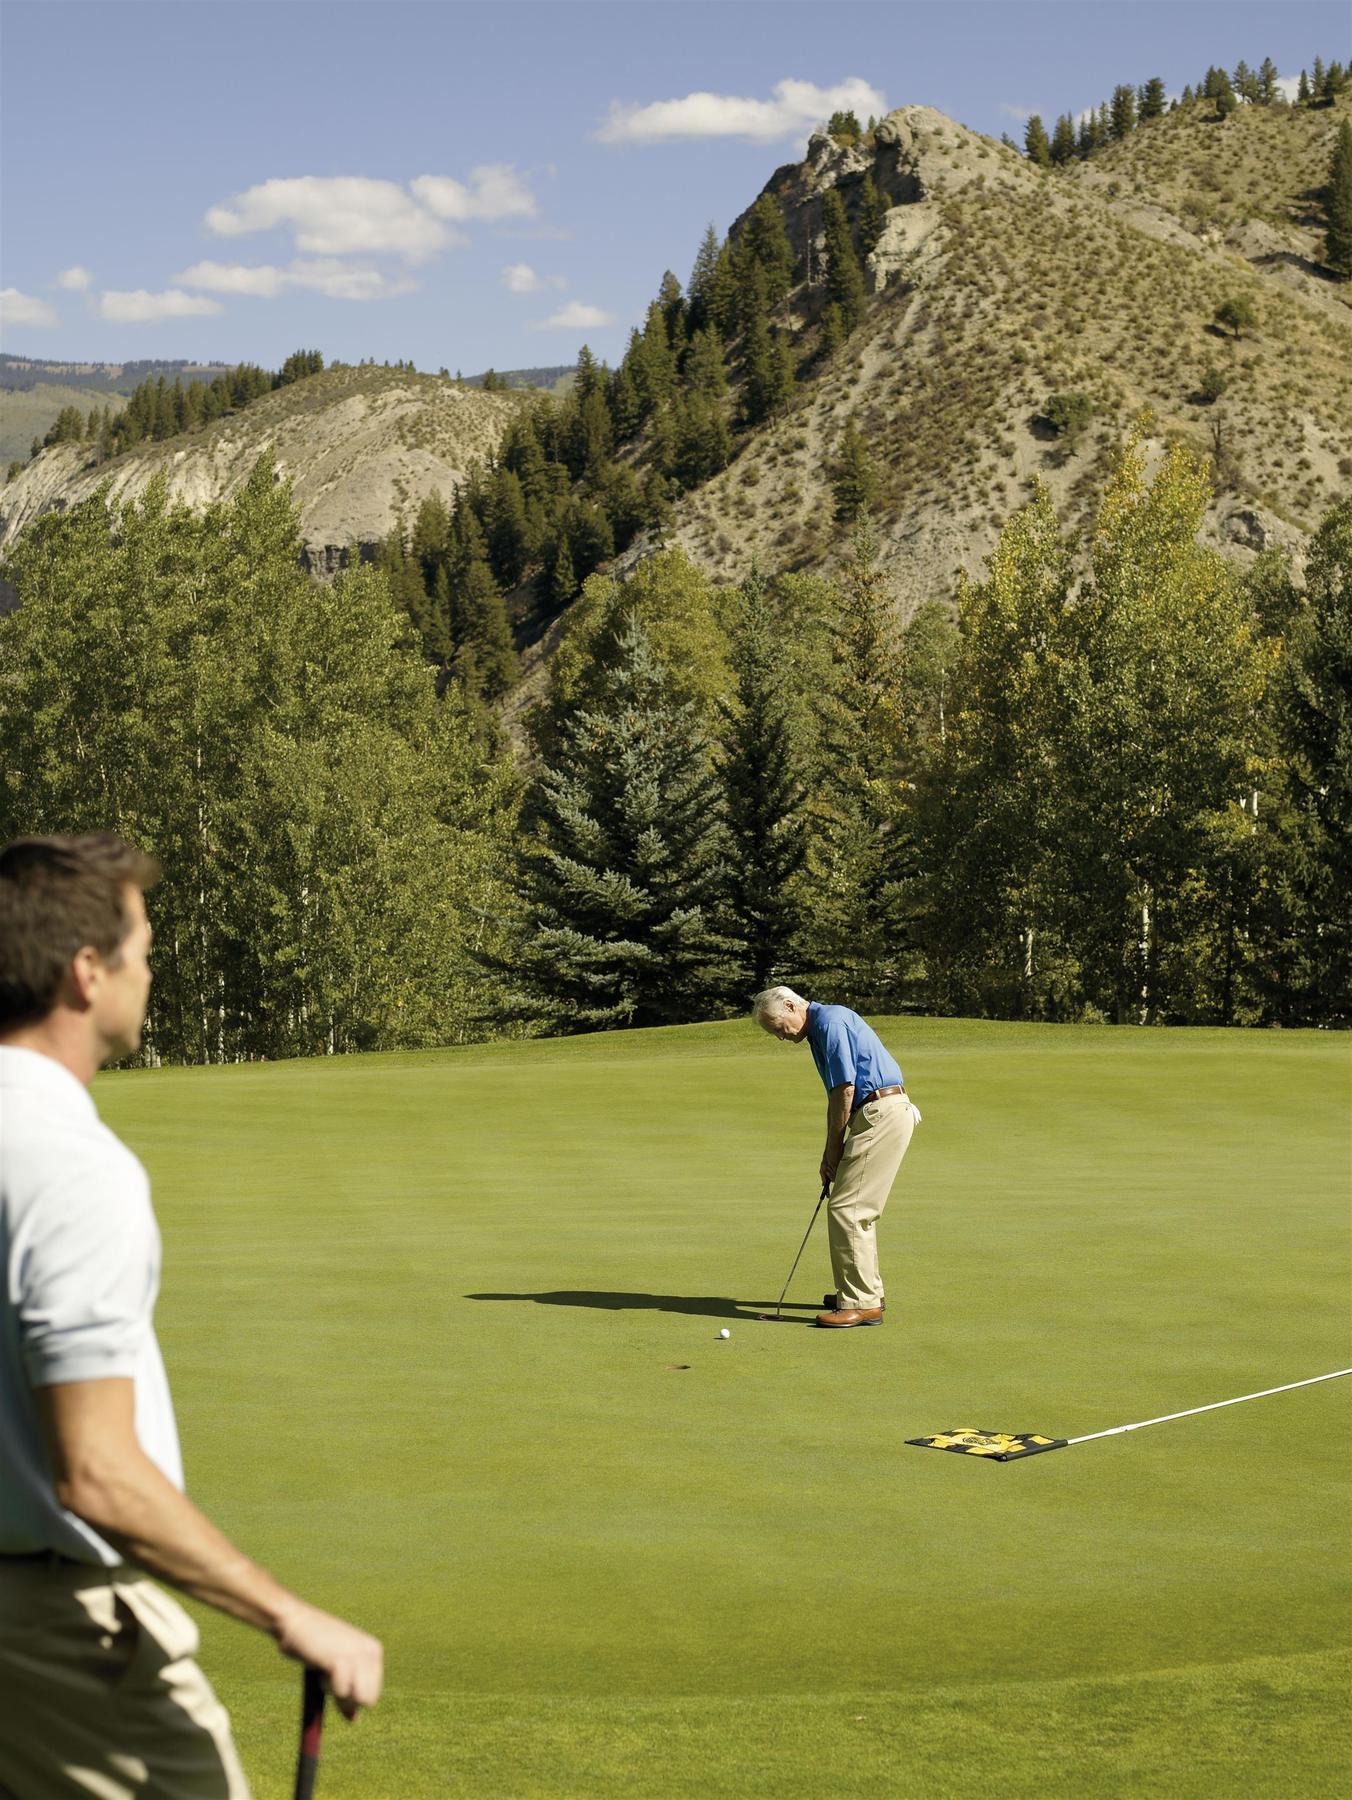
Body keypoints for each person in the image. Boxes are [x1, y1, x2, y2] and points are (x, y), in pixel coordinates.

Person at [0, 834, 382, 1798]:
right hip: (60, 1634)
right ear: (88, 974)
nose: (153, 969)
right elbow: (97, 1474)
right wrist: (289, 1615)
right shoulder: (71, 1168)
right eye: (145, 949)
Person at [751, 986, 919, 1328]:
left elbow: (844, 1088)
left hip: (879, 1110)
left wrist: (833, 1147)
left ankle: (862, 1302)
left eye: (778, 1027)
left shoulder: (830, 1022)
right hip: (877, 1112)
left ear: (790, 1005)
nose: (780, 1037)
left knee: (849, 1208)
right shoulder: (820, 1029)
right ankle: (862, 1289)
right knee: (854, 1205)